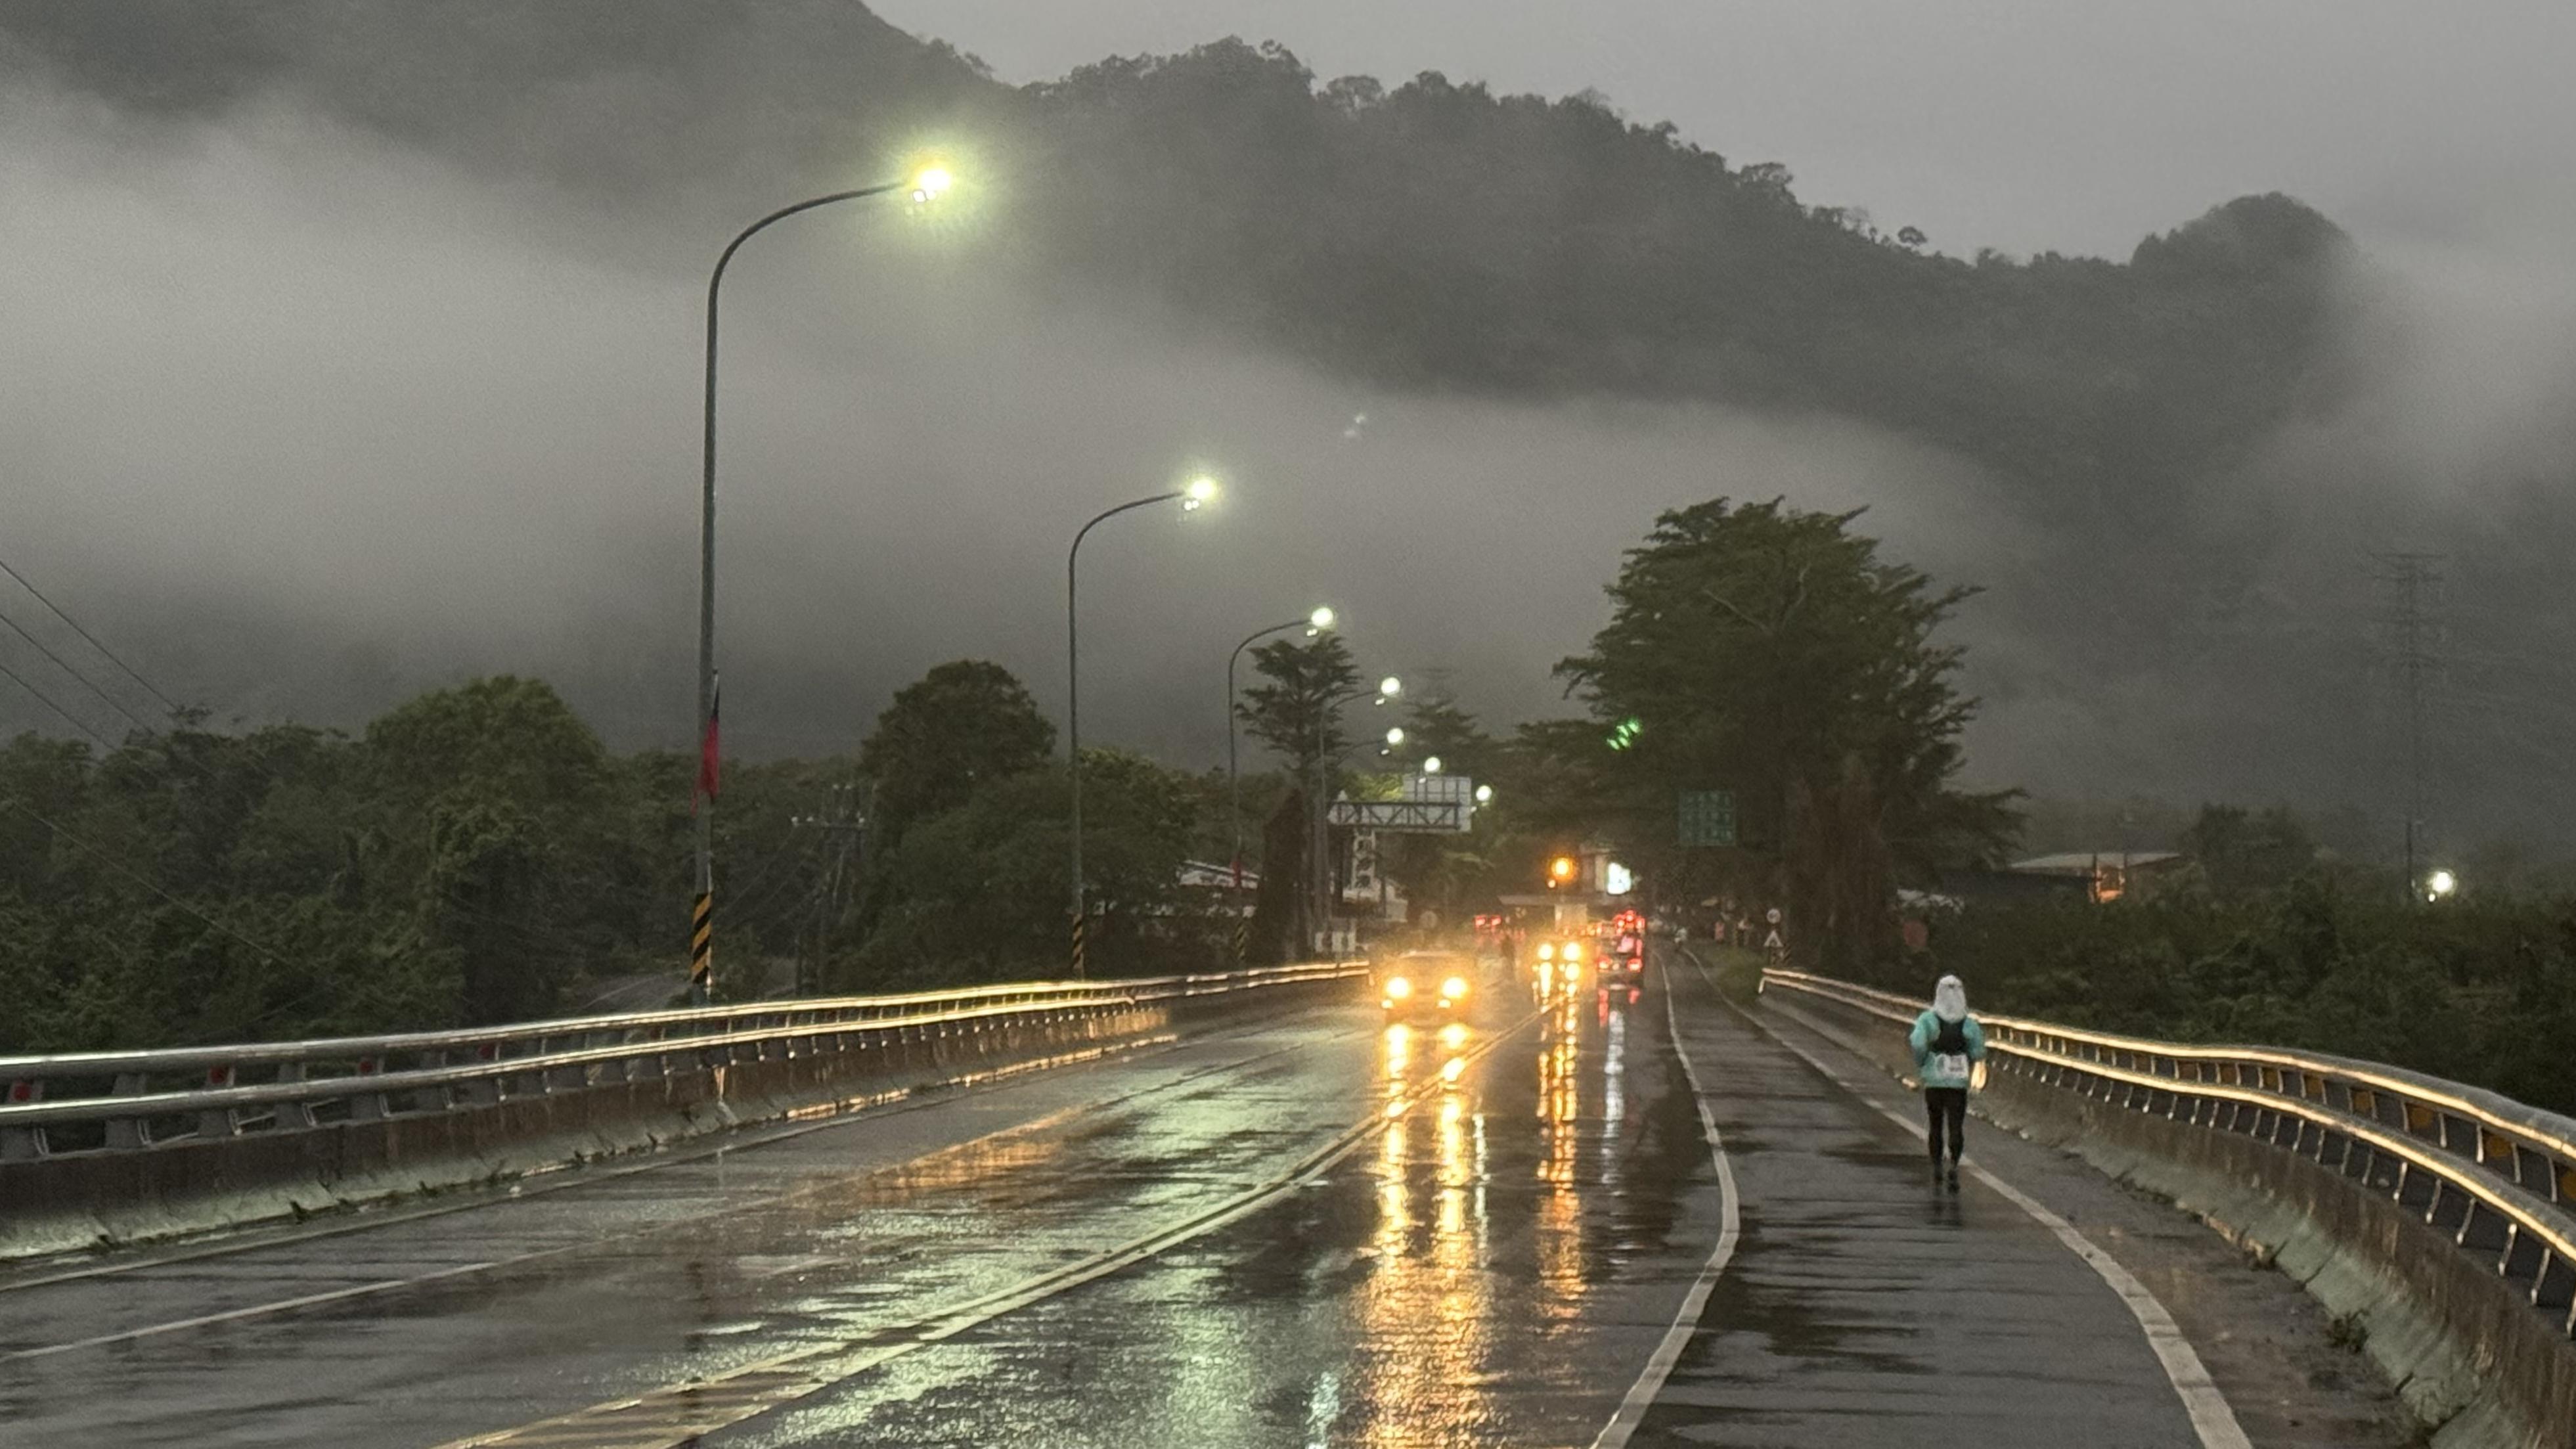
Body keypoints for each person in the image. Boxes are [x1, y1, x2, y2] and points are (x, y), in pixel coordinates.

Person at [1908, 974, 1986, 1191]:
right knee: (1956, 1125)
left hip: (1934, 1081)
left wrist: (1923, 1063)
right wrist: (1967, 1061)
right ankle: (1953, 1164)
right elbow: (1979, 1051)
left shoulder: (1928, 1020)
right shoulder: (1969, 1024)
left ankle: (1936, 1166)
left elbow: (1917, 1043)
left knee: (1935, 1125)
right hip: (1958, 1084)